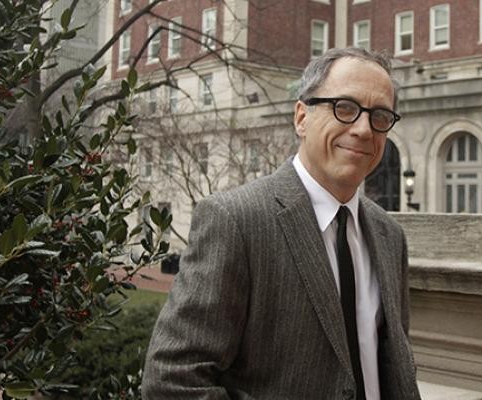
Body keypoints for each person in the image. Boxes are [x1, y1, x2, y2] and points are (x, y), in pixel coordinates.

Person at [142, 47, 422, 400]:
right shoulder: (237, 221)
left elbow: (393, 367)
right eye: (345, 108)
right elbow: (171, 380)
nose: (364, 129)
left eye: (380, 116)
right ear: (302, 117)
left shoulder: (389, 235)